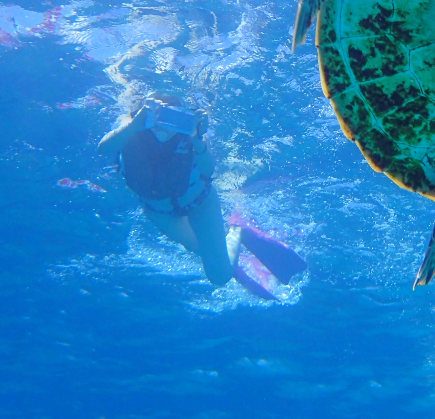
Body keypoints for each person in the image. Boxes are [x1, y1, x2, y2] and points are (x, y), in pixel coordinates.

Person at [97, 93, 306, 299]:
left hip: (201, 204)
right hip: (162, 214)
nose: (167, 125)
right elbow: (103, 148)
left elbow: (208, 170)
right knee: (207, 256)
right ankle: (225, 253)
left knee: (219, 276)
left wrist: (197, 139)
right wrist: (136, 124)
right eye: (161, 116)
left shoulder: (188, 132)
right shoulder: (131, 129)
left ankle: (236, 230)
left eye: (174, 116)